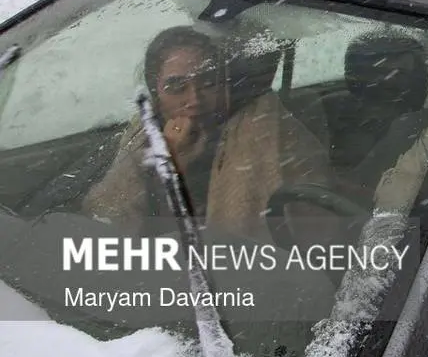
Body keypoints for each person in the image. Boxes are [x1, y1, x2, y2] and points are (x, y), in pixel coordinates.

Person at [84, 25, 330, 238]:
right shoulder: (145, 134)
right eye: (176, 86)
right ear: (156, 95)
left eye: (209, 82)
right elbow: (111, 228)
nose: (194, 99)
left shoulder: (260, 131)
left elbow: (301, 234)